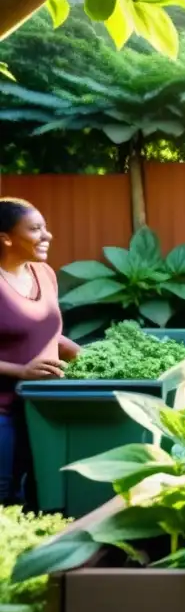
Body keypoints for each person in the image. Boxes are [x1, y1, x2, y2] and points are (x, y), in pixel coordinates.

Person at [0, 198, 80, 505]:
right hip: (4, 410)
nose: (47, 236)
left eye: (45, 228)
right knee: (5, 495)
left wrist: (94, 358)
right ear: (6, 238)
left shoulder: (44, 274)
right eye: (35, 229)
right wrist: (20, 372)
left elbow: (51, 335)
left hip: (46, 408)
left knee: (41, 492)